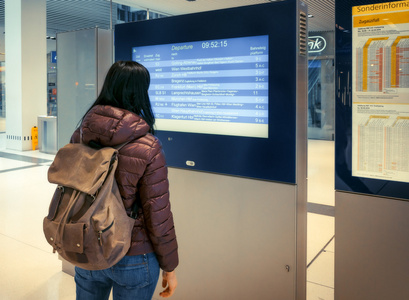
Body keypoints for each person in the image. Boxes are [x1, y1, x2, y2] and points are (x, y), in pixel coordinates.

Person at [70, 61, 179, 300]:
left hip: (87, 244)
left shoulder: (80, 134)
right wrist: (170, 266)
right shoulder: (148, 145)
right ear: (141, 92)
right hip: (133, 255)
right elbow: (158, 213)